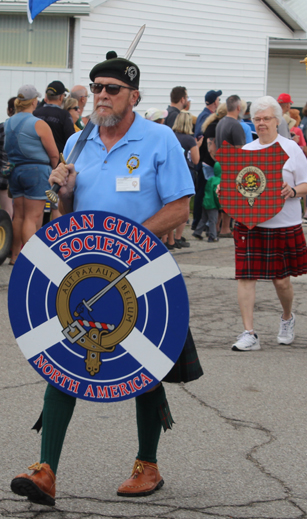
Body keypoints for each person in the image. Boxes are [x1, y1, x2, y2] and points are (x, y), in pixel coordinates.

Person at [10, 51, 203, 506]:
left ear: (133, 96)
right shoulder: (79, 143)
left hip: (144, 271)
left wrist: (125, 241)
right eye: (96, 88)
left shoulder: (160, 140)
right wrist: (65, 194)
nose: (101, 95)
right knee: (64, 365)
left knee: (145, 368)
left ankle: (146, 465)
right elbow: (67, 218)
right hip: (87, 276)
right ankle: (45, 471)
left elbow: (180, 208)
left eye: (111, 89)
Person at [230, 96, 307, 352]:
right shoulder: (246, 151)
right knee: (246, 277)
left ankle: (287, 318)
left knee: (282, 282)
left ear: (277, 120)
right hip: (250, 225)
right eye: (257, 119)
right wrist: (228, 190)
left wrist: (293, 191)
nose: (262, 123)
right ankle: (249, 333)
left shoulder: (291, 149)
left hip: (283, 224)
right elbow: (239, 187)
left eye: (266, 118)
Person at [4, 85, 59, 265]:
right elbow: (53, 154)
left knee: (18, 215)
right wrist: (53, 172)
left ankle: (15, 257)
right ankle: (33, 259)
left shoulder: (8, 123)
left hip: (15, 171)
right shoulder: (37, 123)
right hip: (36, 171)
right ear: (34, 101)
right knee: (32, 217)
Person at [166, 111, 203, 249]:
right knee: (183, 207)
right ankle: (178, 237)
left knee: (170, 207)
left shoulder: (171, 136)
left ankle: (168, 238)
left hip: (171, 173)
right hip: (187, 174)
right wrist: (197, 145)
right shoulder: (189, 139)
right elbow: (195, 159)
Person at [216, 95, 246, 236]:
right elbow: (240, 149)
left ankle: (217, 227)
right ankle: (225, 229)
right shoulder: (236, 125)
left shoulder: (220, 122)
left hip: (221, 162)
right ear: (238, 108)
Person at [192, 136, 221, 242]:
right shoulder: (219, 182)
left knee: (203, 219)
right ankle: (212, 235)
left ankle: (197, 232)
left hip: (205, 202)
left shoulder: (210, 179)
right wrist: (219, 205)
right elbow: (216, 194)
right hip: (213, 204)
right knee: (213, 220)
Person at [33, 81, 75, 153]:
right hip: (58, 158)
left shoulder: (35, 113)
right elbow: (71, 139)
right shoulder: (64, 115)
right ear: (61, 97)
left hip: (38, 156)